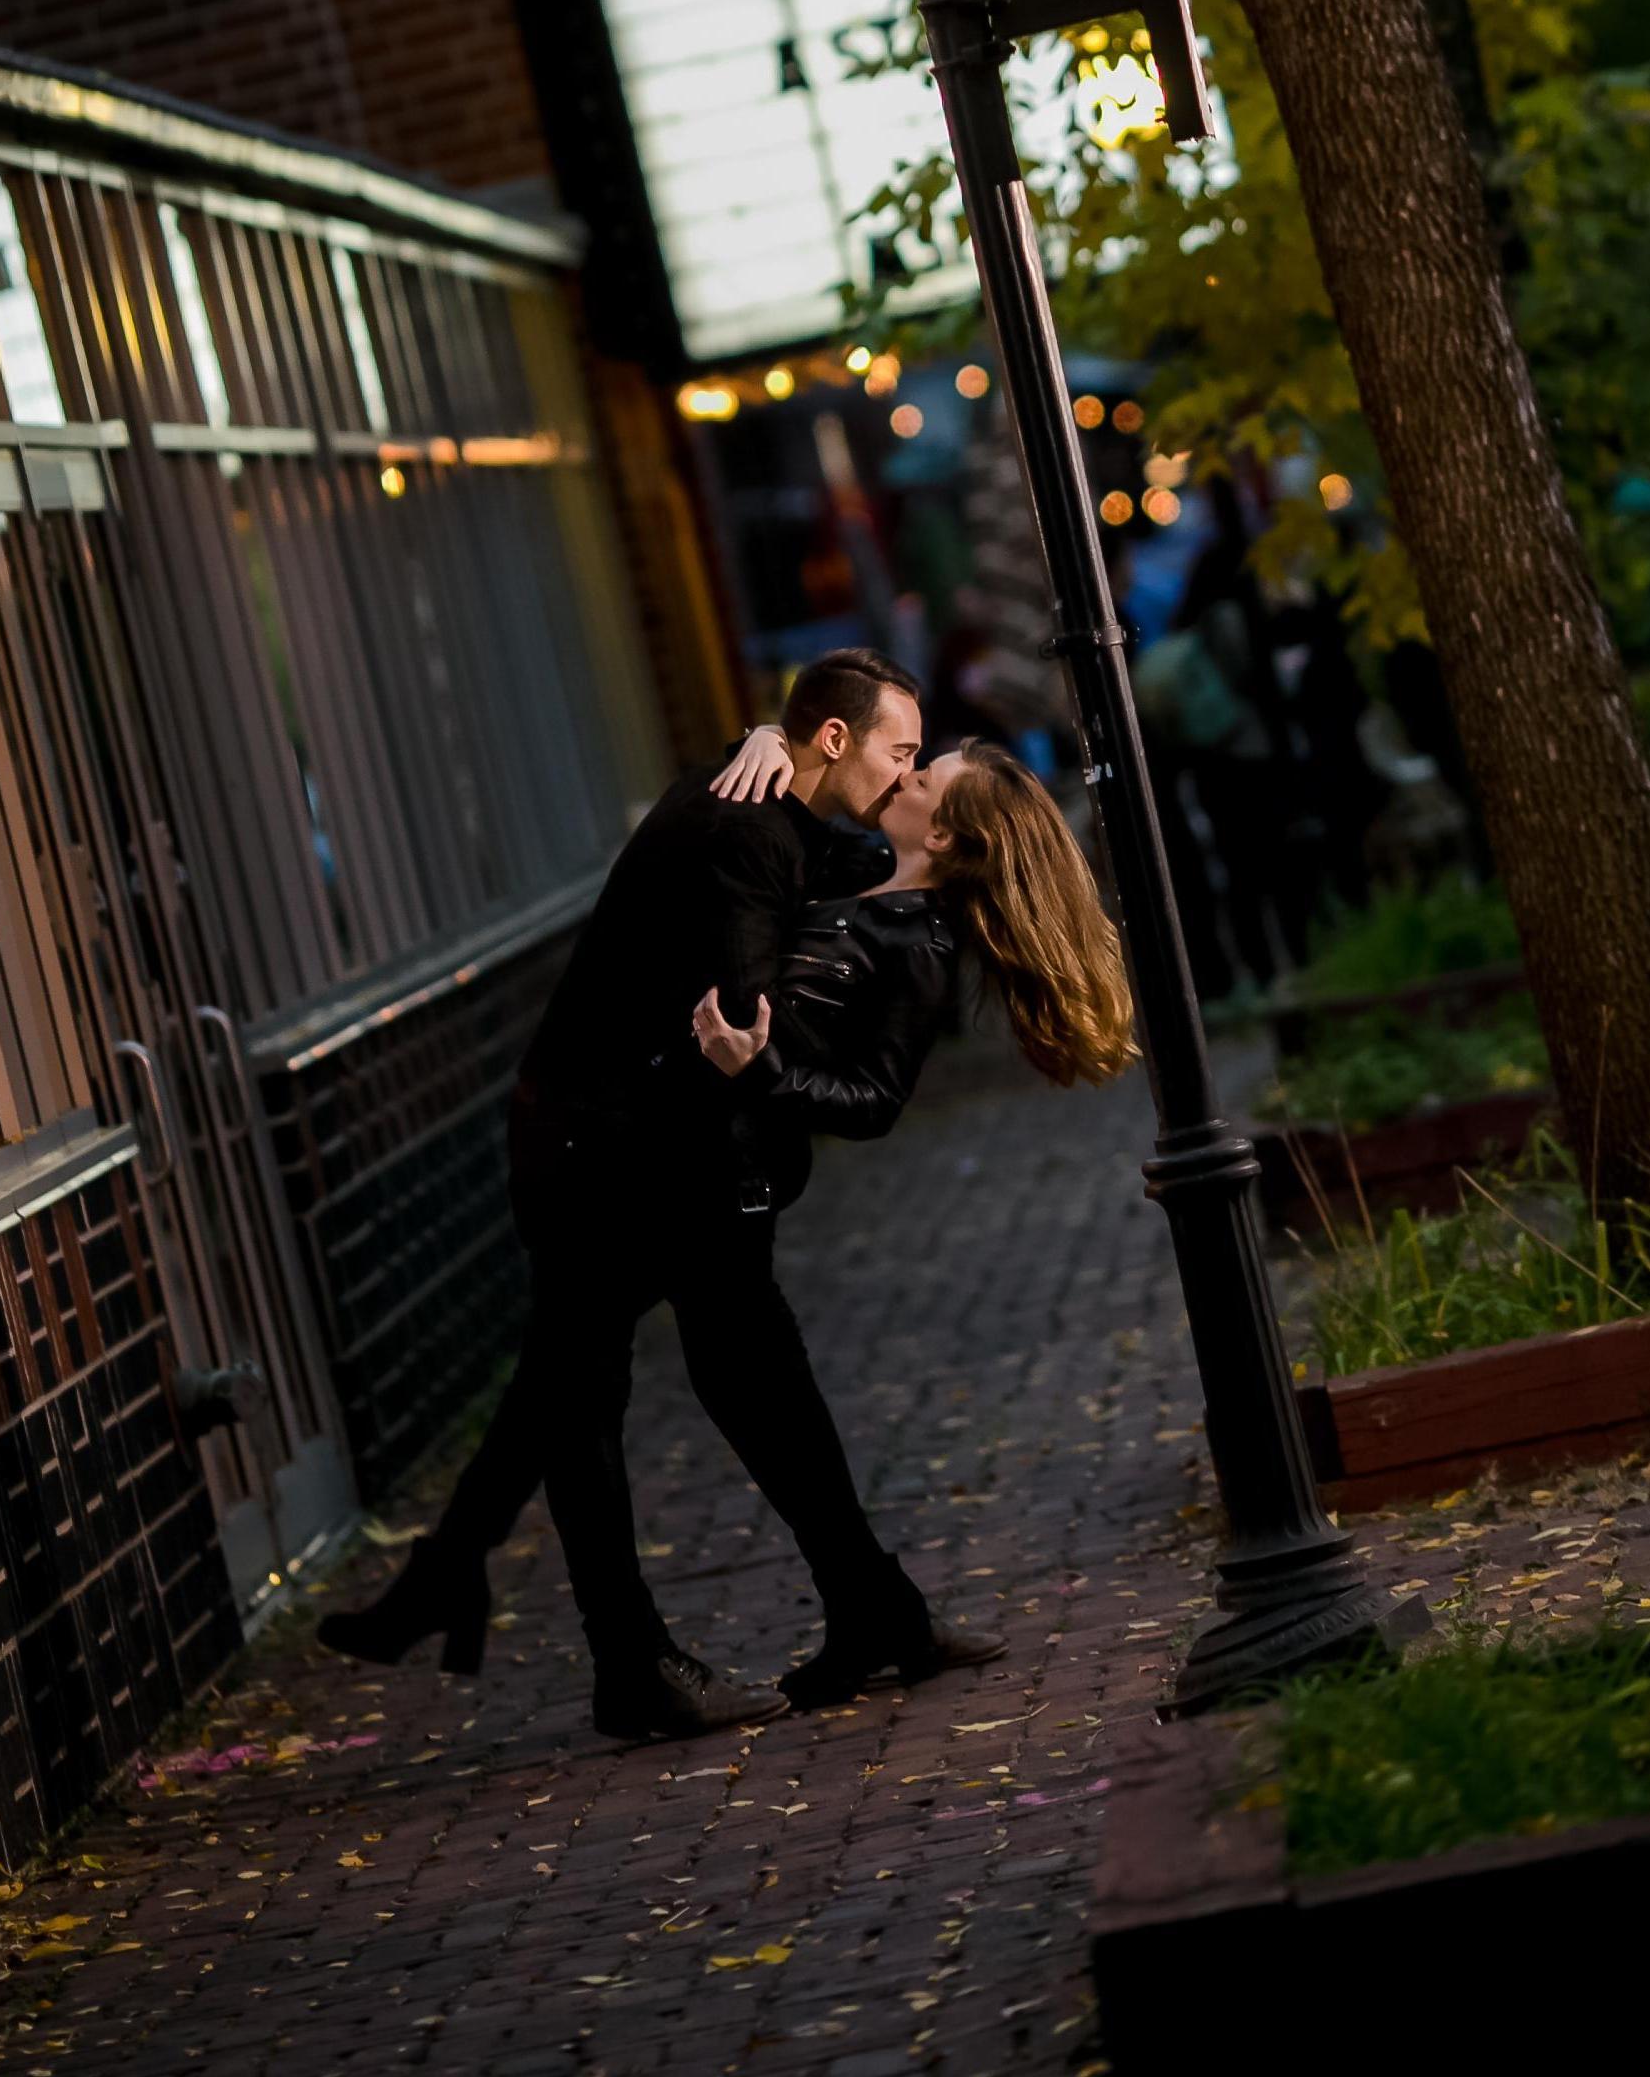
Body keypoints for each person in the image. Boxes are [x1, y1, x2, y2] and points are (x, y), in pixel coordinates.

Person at [322, 709, 1139, 1726]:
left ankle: (571, 1628)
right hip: (679, 1164)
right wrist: (763, 739)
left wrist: (767, 1068)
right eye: (916, 758)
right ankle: (847, 1612)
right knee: (650, 1382)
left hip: (711, 1174)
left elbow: (872, 1105)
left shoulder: (914, 941)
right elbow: (785, 808)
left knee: (596, 1378)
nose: (911, 774)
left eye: (929, 776)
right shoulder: (857, 864)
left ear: (952, 838)